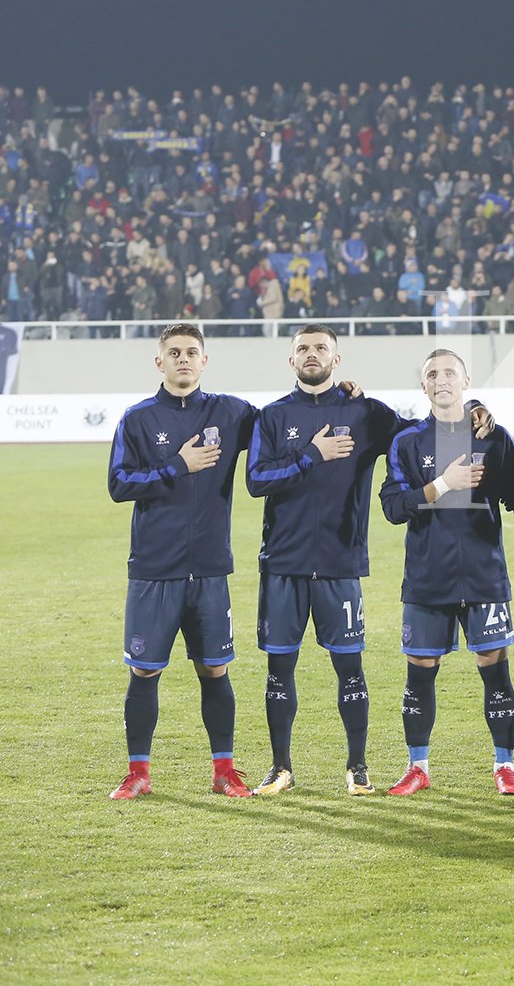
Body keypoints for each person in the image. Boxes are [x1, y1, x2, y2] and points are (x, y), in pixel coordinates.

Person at [245, 323, 492, 796]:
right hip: (282, 563)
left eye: (321, 348)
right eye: (303, 348)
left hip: (341, 563)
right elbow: (256, 480)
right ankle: (280, 768)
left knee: (350, 668)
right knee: (279, 669)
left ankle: (357, 767)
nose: (312, 354)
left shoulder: (365, 412)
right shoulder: (273, 417)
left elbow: (423, 431)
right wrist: (310, 455)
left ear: (336, 359)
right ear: (291, 359)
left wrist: (473, 406)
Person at [105, 323, 256, 800]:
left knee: (215, 669)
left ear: (204, 361)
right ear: (160, 362)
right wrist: (177, 465)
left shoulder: (231, 412)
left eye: (192, 352)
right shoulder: (137, 419)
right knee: (145, 671)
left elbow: (281, 423)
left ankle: (224, 771)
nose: (183, 359)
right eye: (174, 353)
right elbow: (119, 485)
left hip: (210, 569)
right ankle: (138, 773)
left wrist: (340, 392)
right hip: (154, 570)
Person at [378, 348, 514, 796]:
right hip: (428, 577)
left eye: (449, 373)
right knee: (420, 670)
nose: (440, 380)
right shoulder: (407, 442)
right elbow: (392, 507)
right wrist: (443, 484)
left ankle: (505, 766)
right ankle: (417, 767)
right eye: (432, 374)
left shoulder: (492, 437)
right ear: (422, 385)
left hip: (484, 575)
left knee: (494, 668)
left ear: (466, 382)